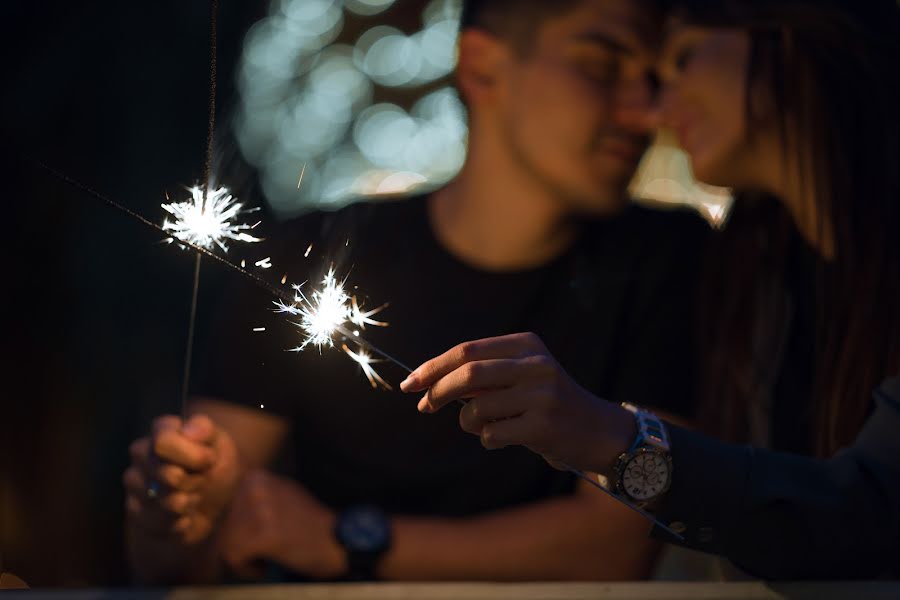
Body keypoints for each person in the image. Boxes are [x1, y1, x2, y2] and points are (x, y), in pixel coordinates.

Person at [122, 0, 711, 584]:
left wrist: (339, 538)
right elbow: (183, 558)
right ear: (481, 66)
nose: (646, 113)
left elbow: (615, 546)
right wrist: (172, 515)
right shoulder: (310, 254)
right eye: (602, 66)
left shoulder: (669, 259)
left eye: (655, 80)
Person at [404, 0, 900, 580]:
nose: (654, 112)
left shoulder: (684, 262)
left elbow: (873, 510)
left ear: (796, 27)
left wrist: (615, 439)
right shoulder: (754, 278)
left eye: (684, 58)